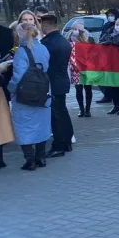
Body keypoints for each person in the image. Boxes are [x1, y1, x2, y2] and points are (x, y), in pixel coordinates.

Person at [9, 23, 52, 171]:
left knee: (23, 127)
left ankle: (30, 160)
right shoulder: (43, 48)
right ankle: (41, 157)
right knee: (41, 125)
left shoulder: (21, 51)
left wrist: (11, 89)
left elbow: (18, 76)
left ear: (20, 34)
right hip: (42, 92)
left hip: (24, 95)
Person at [40, 14, 74, 158]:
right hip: (62, 80)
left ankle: (59, 145)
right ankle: (66, 142)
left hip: (52, 82)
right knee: (63, 112)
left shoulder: (47, 43)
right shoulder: (64, 41)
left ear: (45, 26)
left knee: (56, 115)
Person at [68, 22, 94, 117]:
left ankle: (88, 109)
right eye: (73, 29)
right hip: (75, 68)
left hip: (87, 68)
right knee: (78, 90)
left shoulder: (89, 39)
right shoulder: (69, 39)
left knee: (88, 89)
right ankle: (81, 109)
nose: (74, 31)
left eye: (76, 29)